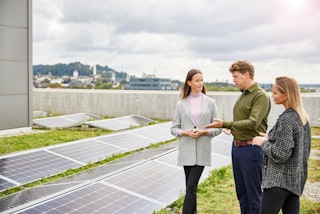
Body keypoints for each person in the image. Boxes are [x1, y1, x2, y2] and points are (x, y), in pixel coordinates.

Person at [205, 60, 271, 214]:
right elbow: (242, 122)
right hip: (238, 149)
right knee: (242, 195)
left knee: (254, 197)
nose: (233, 80)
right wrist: (233, 130)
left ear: (247, 74)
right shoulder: (243, 95)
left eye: (235, 76)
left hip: (252, 150)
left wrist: (227, 124)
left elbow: (253, 123)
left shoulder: (260, 96)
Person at [252, 76, 311, 214]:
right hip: (294, 182)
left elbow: (280, 154)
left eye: (275, 92)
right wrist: (271, 138)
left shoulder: (286, 119)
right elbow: (298, 147)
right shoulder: (302, 117)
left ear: (286, 95)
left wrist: (264, 143)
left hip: (278, 183)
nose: (272, 95)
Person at [171, 69, 221, 214]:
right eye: (197, 80)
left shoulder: (211, 103)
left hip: (202, 151)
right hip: (186, 151)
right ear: (189, 83)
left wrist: (204, 132)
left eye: (202, 80)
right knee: (190, 187)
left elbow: (218, 128)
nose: (200, 83)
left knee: (192, 186)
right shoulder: (181, 104)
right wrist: (186, 132)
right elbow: (174, 129)